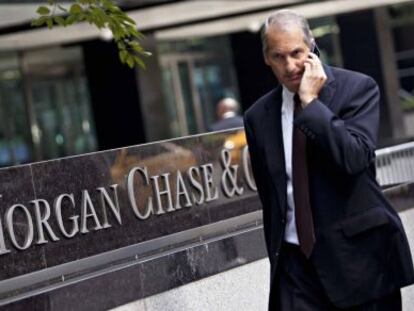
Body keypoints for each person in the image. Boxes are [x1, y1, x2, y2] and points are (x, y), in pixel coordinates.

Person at [243, 9, 414, 311]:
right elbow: (271, 196)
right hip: (295, 269)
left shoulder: (357, 89)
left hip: (360, 261)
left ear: (311, 46)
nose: (290, 65)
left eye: (296, 53)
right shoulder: (258, 117)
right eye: (278, 56)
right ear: (266, 59)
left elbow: (354, 158)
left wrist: (310, 104)